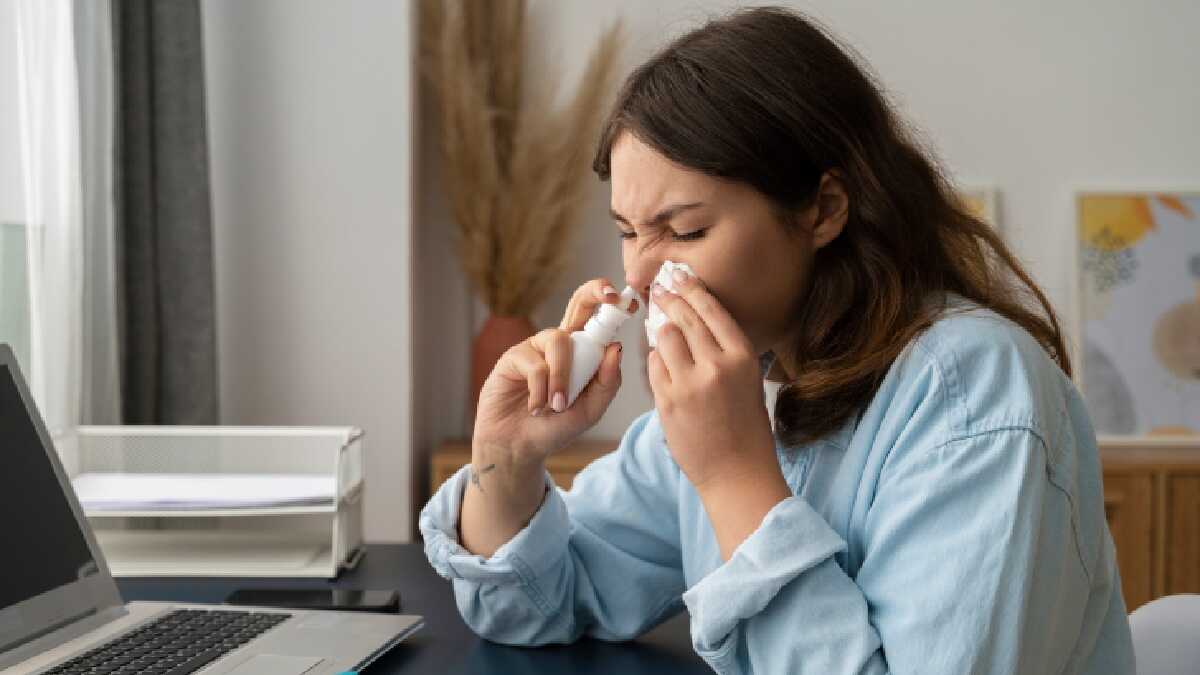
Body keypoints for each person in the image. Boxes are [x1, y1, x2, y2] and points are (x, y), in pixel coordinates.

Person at [420, 7, 1135, 674]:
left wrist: (735, 476)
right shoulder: (751, 382)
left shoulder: (975, 398)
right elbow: (533, 603)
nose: (637, 278)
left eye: (686, 230)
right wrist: (505, 461)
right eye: (627, 232)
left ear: (823, 208)